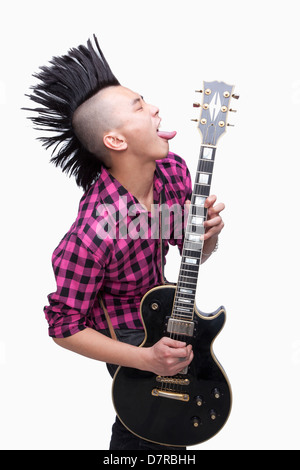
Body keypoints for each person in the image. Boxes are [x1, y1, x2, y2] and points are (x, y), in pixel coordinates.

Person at [24, 35, 225, 450]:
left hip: (168, 316)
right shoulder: (92, 235)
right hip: (129, 345)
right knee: (144, 435)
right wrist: (145, 360)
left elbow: (184, 247)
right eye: (139, 106)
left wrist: (207, 239)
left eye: (146, 100)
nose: (154, 109)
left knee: (173, 437)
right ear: (116, 140)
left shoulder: (172, 171)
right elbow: (63, 327)